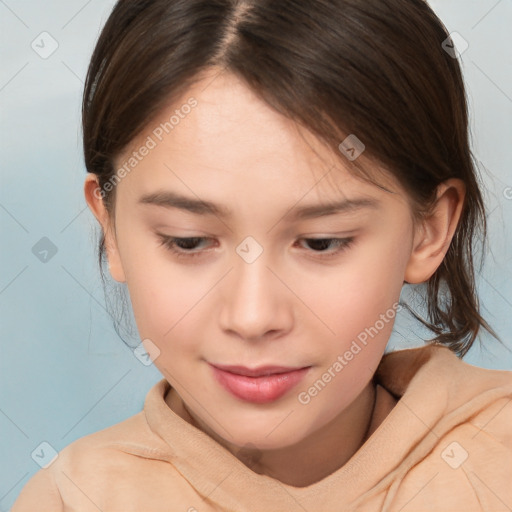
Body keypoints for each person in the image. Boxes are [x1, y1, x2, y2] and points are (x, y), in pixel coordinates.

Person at [12, 0, 512, 510]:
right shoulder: (70, 500)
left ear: (429, 230)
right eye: (187, 241)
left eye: (321, 242)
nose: (253, 318)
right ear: (111, 229)